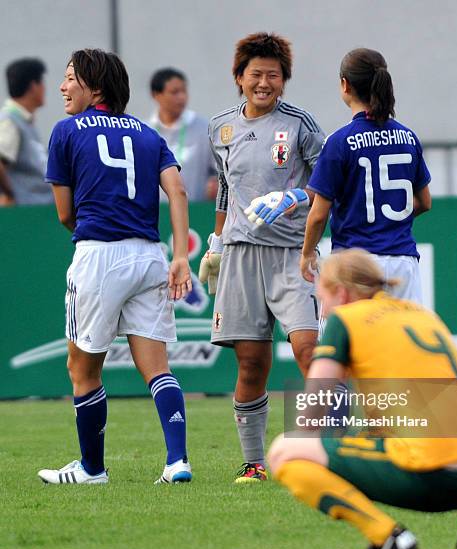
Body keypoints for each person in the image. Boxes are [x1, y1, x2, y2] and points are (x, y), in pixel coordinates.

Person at [268, 249, 457, 549]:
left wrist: (316, 450)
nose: (322, 309)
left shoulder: (346, 318)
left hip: (436, 476)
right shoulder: (422, 314)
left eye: (321, 297)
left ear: (341, 292)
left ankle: (387, 537)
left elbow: (315, 404)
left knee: (286, 451)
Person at [38, 48, 193, 485]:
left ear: (96, 87)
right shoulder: (148, 133)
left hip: (99, 254)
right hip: (148, 256)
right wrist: (180, 254)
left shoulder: (67, 130)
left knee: (82, 369)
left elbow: (65, 214)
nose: (63, 86)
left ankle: (92, 469)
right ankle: (177, 461)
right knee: (158, 367)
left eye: (71, 78)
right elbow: (177, 191)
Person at [201, 32, 325, 482]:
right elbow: (226, 189)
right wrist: (216, 243)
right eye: (256, 74)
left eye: (274, 75)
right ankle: (254, 464)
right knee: (251, 361)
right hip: (239, 255)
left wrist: (295, 196)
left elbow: (329, 179)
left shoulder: (300, 124)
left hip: (293, 253)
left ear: (284, 81)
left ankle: (324, 451)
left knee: (310, 349)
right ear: (239, 77)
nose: (264, 82)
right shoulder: (220, 127)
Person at [300, 48, 432, 303]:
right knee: (400, 341)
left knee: (350, 341)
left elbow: (318, 215)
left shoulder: (339, 142)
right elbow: (425, 202)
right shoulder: (408, 137)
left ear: (345, 85)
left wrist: (307, 254)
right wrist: (388, 219)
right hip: (403, 263)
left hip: (354, 265)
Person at [148, 67, 217, 202]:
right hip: (154, 214)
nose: (182, 97)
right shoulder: (145, 130)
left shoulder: (205, 129)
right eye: (174, 92)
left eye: (184, 91)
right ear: (156, 95)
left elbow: (221, 171)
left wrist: (216, 183)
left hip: (195, 213)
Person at [0, 57, 51, 206]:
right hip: (27, 216)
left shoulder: (23, 121)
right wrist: (11, 194)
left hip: (38, 211)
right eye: (42, 82)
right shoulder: (9, 120)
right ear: (33, 86)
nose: (44, 88)